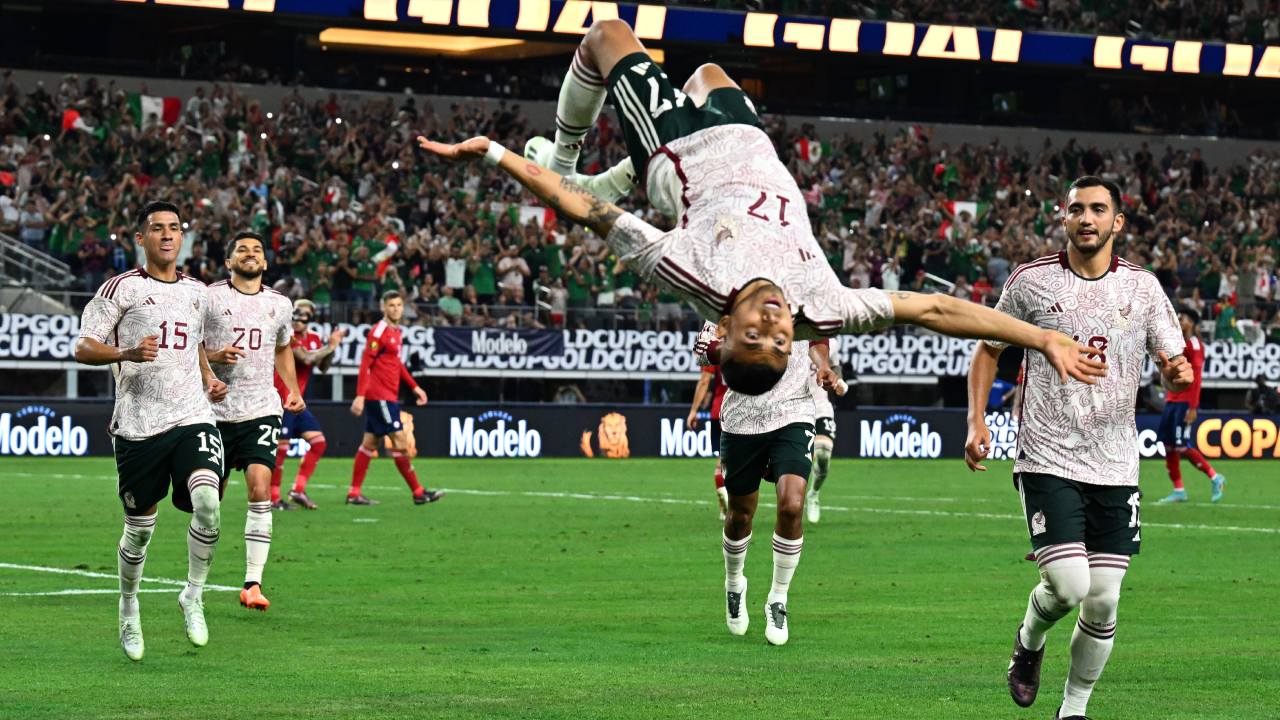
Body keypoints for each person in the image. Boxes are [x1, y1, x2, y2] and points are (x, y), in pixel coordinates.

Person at [417, 21, 1105, 395]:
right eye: (780, 345)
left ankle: (576, 158)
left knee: (605, 36)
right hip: (748, 140)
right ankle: (611, 168)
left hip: (678, 155)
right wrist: (1039, 337)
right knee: (709, 71)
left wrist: (504, 158)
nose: (774, 329)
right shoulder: (824, 306)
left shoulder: (695, 275)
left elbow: (585, 218)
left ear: (724, 331)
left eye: (756, 337)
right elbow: (935, 312)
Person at [964, 176, 1193, 720]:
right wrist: (977, 421)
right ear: (1063, 218)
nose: (1085, 218)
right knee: (1068, 588)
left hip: (1116, 462)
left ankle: (1073, 711)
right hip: (1048, 456)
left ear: (1118, 222)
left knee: (1105, 599)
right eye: (1075, 209)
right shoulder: (1031, 283)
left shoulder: (1142, 289)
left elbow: (1174, 367)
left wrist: (1177, 372)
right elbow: (988, 349)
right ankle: (1030, 639)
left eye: (1097, 209)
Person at [73, 200, 231, 661]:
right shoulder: (119, 289)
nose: (167, 235)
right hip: (139, 424)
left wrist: (208, 378)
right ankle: (128, 608)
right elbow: (83, 347)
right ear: (140, 239)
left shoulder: (198, 293)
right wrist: (125, 354)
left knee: (208, 502)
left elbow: (196, 344)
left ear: (183, 238)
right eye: (157, 229)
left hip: (192, 416)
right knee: (139, 530)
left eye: (174, 228)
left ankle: (193, 594)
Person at [700, 331, 841, 647]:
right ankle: (735, 582)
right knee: (740, 515)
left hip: (794, 413)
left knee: (792, 505)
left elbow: (818, 341)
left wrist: (823, 366)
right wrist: (745, 346)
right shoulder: (731, 298)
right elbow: (702, 348)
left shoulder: (801, 296)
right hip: (741, 419)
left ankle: (778, 599)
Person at [204, 231, 305, 612]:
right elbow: (191, 346)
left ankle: (253, 583)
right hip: (213, 411)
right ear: (228, 262)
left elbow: (282, 347)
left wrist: (292, 389)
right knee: (209, 503)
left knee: (261, 489)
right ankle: (197, 580)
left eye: (257, 250)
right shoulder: (210, 297)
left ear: (265, 262)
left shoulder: (280, 304)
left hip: (262, 407)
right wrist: (214, 356)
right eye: (241, 250)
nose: (250, 254)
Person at [347, 290, 444, 506]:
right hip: (379, 395)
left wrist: (415, 387)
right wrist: (360, 396)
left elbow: (396, 364)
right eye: (391, 305)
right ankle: (418, 492)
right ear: (383, 307)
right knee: (400, 439)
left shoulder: (396, 331)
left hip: (388, 395)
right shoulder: (379, 331)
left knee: (369, 443)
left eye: (399, 305)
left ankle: (354, 493)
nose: (396, 309)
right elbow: (366, 364)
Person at [271, 298, 345, 511]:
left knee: (319, 443)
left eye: (304, 315)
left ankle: (297, 490)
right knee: (280, 451)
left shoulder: (313, 338)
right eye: (296, 314)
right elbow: (306, 359)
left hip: (298, 402)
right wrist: (330, 345)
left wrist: (331, 348)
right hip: (281, 399)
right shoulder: (286, 336)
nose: (299, 319)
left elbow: (322, 366)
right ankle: (273, 498)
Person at [1156, 307, 1226, 504]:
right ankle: (1179, 490)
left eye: (1184, 317)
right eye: (1179, 316)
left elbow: (1196, 377)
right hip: (1172, 400)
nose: (1180, 320)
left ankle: (1215, 477)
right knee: (1169, 446)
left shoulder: (1194, 344)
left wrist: (1193, 407)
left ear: (1192, 323)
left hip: (1185, 403)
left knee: (1181, 446)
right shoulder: (1176, 343)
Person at [687, 323, 729, 520]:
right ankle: (736, 505)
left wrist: (694, 411)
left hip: (719, 410)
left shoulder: (715, 347)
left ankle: (724, 507)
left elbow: (704, 380)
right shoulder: (746, 343)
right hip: (743, 411)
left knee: (722, 461)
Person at [804, 336, 848, 524]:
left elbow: (835, 368)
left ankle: (813, 494)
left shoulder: (832, 342)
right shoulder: (789, 337)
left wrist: (839, 383)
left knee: (822, 456)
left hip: (821, 407)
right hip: (794, 409)